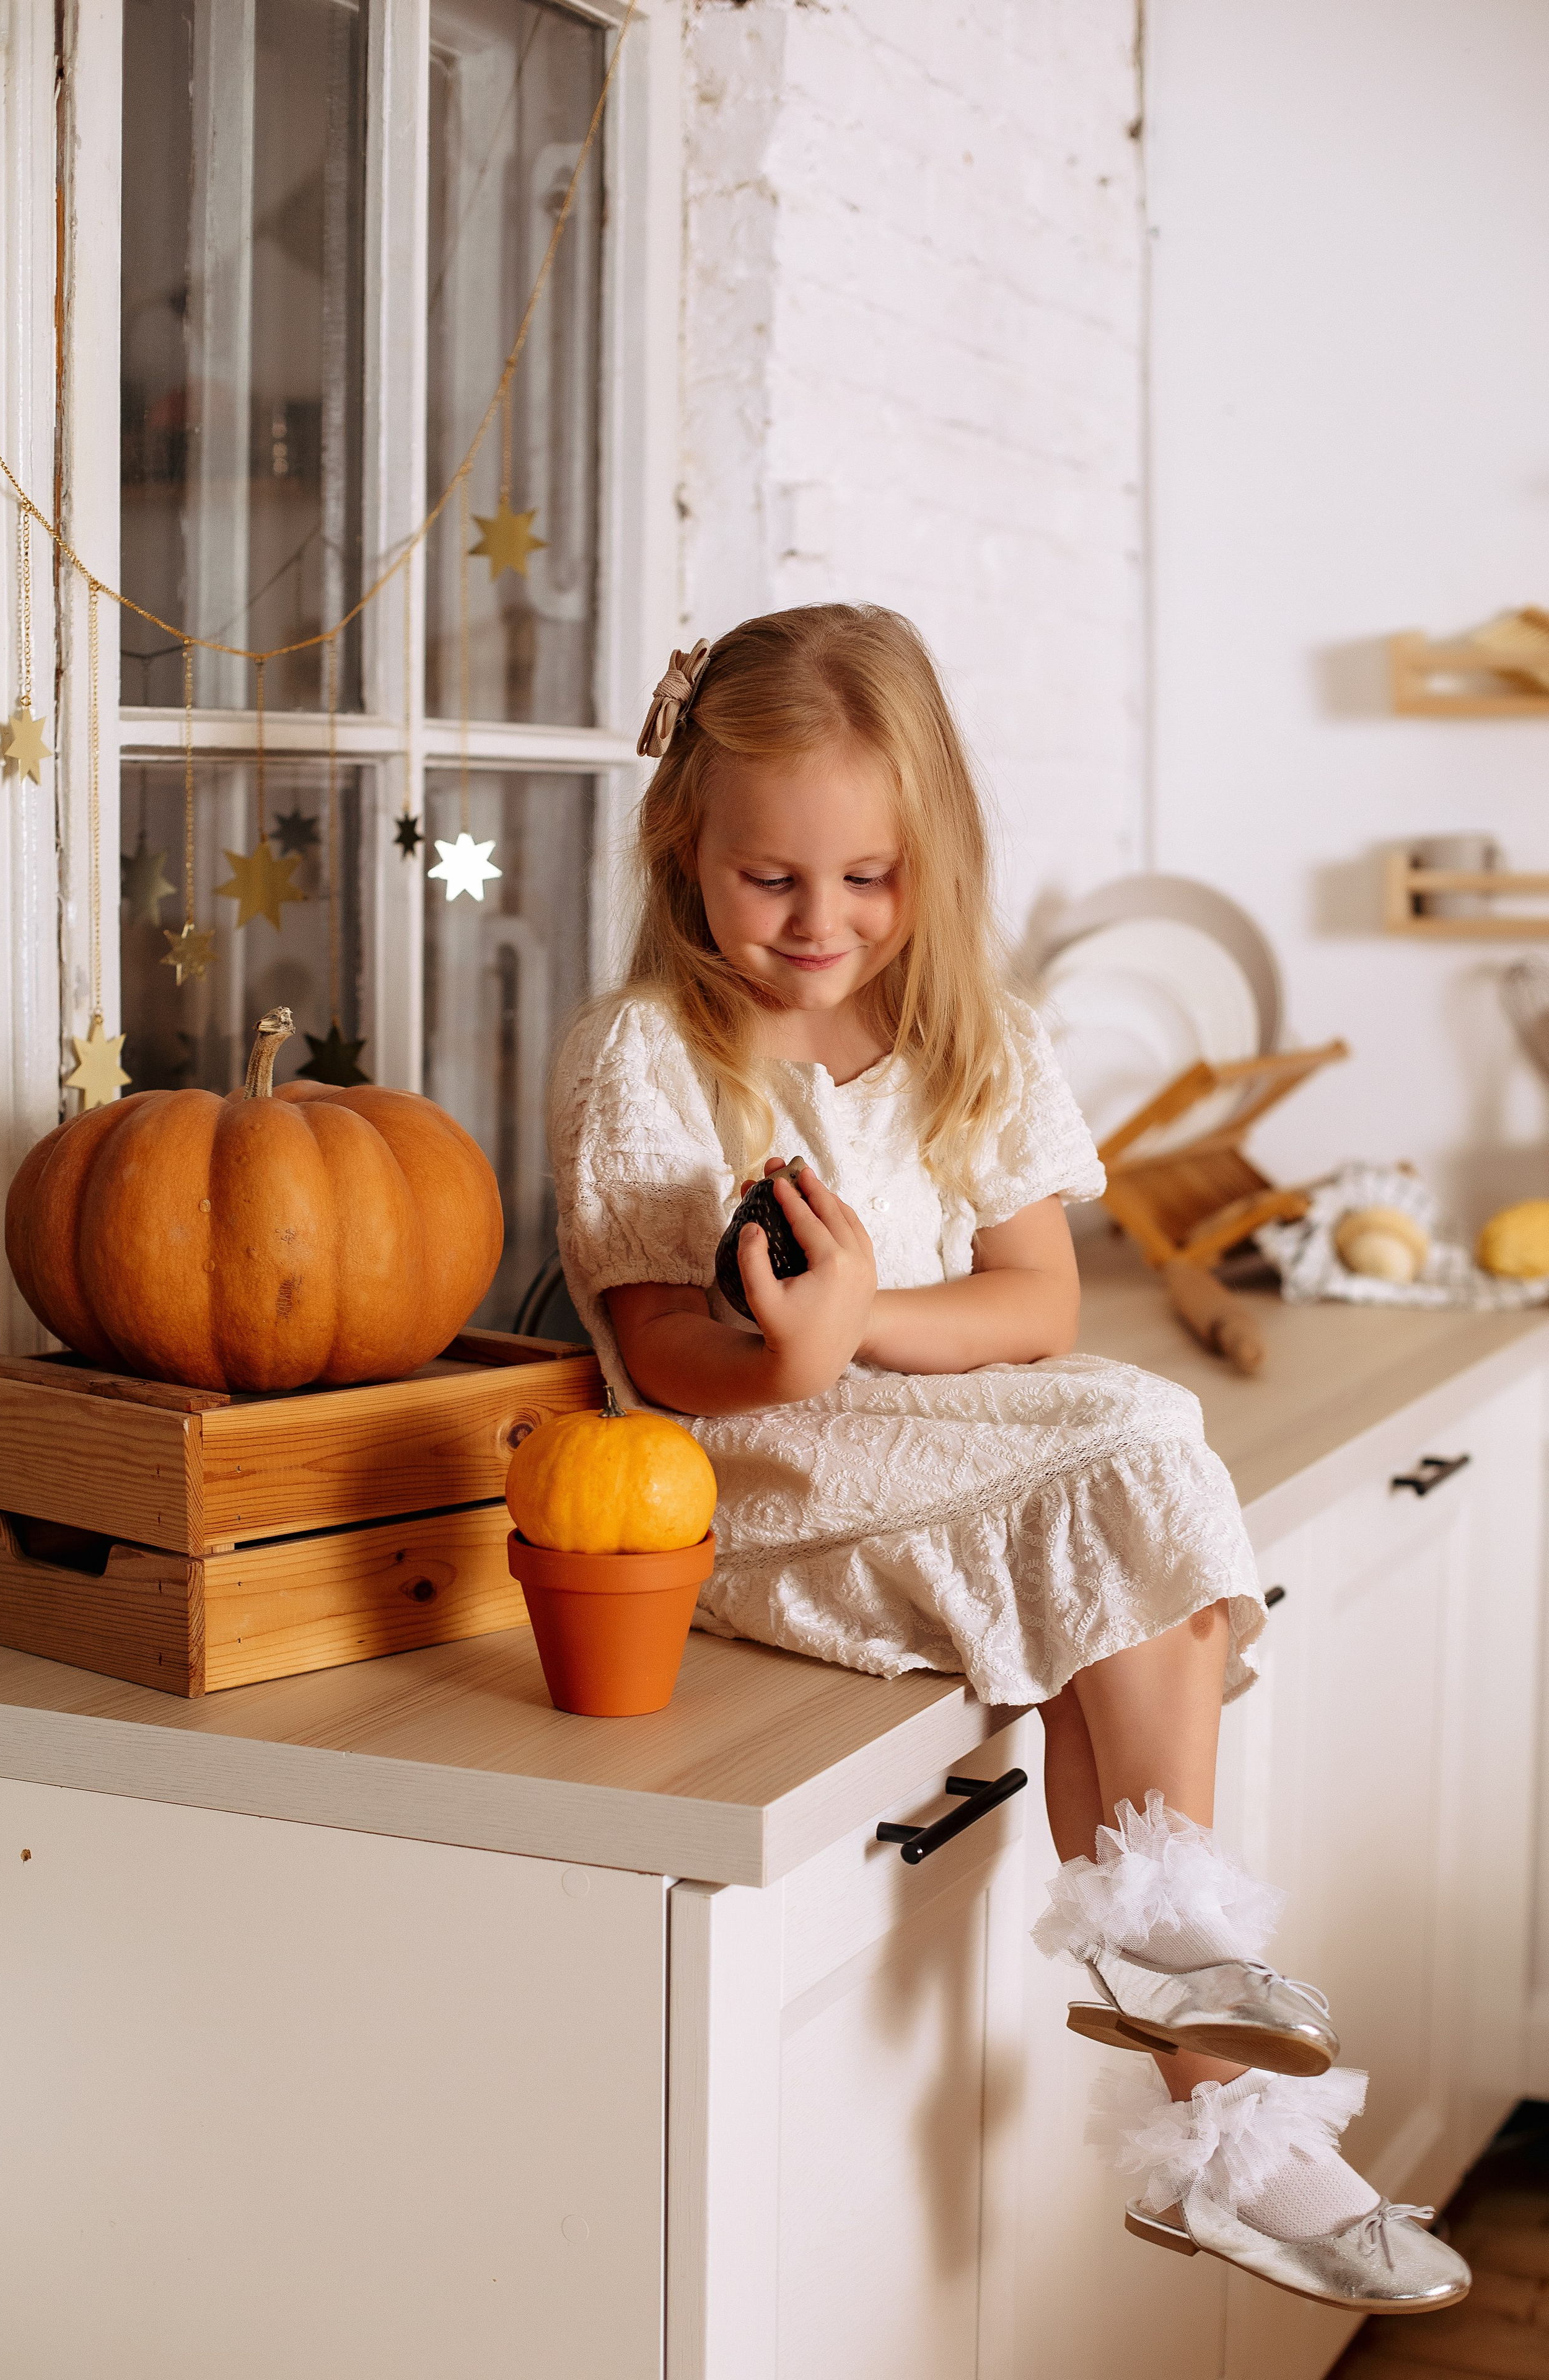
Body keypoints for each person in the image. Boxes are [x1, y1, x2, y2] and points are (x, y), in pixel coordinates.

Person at [548, 603, 1468, 2315]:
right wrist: (782, 1352)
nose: (823, 924)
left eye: (869, 879)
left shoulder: (981, 1036)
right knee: (1142, 1458)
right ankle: (1205, 2057)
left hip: (927, 1433)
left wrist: (859, 1317)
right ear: (686, 846)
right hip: (761, 1491)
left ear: (934, 860)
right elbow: (657, 1341)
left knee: (1146, 1490)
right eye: (773, 882)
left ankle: (1206, 2066)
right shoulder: (649, 1056)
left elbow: (1037, 1300)